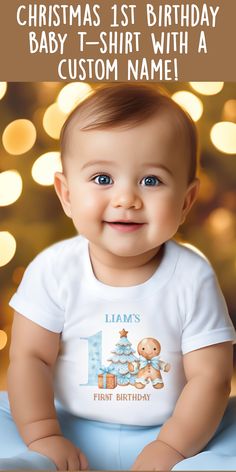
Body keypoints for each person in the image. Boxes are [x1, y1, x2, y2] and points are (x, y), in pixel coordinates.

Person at [0, 84, 236, 471]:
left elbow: (210, 377)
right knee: (9, 435)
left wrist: (172, 448)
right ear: (66, 193)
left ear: (186, 202)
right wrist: (43, 434)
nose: (126, 198)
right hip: (66, 424)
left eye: (151, 181)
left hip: (177, 430)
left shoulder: (192, 277)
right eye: (103, 179)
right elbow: (29, 357)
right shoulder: (54, 269)